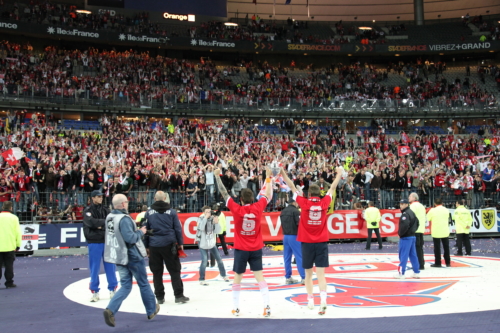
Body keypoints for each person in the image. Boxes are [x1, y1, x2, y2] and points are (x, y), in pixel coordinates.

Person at [280, 166, 343, 315]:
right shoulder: (324, 202)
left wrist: (282, 173)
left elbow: (291, 186)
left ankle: (310, 300)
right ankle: (323, 300)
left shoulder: (304, 203)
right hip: (321, 243)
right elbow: (333, 188)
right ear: (319, 193)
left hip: (307, 243)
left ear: (308, 194)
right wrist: (339, 174)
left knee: (308, 274)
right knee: (321, 274)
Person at [214, 167, 273, 317]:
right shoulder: (258, 207)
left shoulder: (236, 209)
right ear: (253, 198)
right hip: (255, 248)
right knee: (260, 277)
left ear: (241, 199)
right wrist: (268, 177)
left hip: (241, 248)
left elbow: (224, 192)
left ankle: (236, 308)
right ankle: (267, 306)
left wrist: (217, 176)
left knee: (237, 277)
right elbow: (268, 194)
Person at [102, 194, 159, 327]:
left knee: (126, 285)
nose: (128, 204)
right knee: (143, 283)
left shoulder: (110, 217)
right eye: (126, 202)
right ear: (122, 204)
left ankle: (110, 310)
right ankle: (151, 310)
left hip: (118, 255)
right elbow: (131, 239)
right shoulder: (124, 219)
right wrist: (141, 232)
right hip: (132, 256)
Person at [143, 191, 189, 305]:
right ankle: (178, 295)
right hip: (169, 244)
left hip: (154, 245)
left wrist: (146, 246)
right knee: (174, 270)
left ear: (154, 198)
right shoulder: (172, 212)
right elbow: (177, 228)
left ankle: (159, 297)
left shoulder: (148, 213)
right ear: (164, 198)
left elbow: (145, 230)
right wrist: (180, 243)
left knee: (157, 272)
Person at [83, 190, 117, 302]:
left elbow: (111, 223)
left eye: (101, 196)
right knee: (94, 268)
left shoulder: (106, 210)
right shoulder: (88, 210)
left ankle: (112, 289)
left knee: (110, 267)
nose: (101, 198)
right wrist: (103, 224)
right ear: (93, 198)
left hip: (106, 241)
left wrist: (98, 226)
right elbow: (91, 223)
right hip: (94, 242)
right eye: (98, 197)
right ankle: (95, 291)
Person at [195, 206, 229, 285]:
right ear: (204, 212)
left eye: (209, 211)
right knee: (204, 261)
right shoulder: (200, 218)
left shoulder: (212, 219)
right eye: (207, 212)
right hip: (203, 242)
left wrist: (216, 223)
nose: (209, 213)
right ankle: (201, 279)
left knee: (219, 259)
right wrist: (205, 218)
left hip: (211, 242)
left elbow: (218, 231)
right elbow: (201, 228)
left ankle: (223, 275)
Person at [280, 199, 305, 284]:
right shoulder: (296, 212)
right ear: (295, 202)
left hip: (285, 236)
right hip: (294, 236)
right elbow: (299, 224)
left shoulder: (283, 211)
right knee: (299, 256)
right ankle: (303, 277)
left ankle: (288, 277)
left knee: (287, 257)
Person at [395, 199, 420, 279]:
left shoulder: (405, 214)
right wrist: (413, 231)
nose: (400, 205)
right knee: (413, 255)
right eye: (400, 204)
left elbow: (404, 226)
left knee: (403, 255)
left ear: (406, 204)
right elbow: (417, 222)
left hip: (406, 237)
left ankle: (401, 273)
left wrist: (400, 234)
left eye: (402, 204)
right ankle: (416, 272)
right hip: (412, 236)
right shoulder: (411, 212)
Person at [0, 201, 21, 288]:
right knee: (9, 265)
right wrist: (18, 244)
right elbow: (18, 232)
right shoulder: (14, 218)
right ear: (11, 208)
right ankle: (9, 282)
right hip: (9, 245)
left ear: (2, 207)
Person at [426, 198, 451, 268]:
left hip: (436, 231)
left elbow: (428, 218)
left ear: (435, 204)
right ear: (442, 203)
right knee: (446, 247)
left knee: (437, 248)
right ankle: (448, 262)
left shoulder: (432, 210)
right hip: (445, 230)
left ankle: (438, 262)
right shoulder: (446, 210)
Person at [409, 192, 427, 270]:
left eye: (410, 196)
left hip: (415, 229)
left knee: (415, 248)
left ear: (414, 198)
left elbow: (411, 217)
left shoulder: (412, 206)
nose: (408, 198)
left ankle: (418, 264)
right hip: (421, 228)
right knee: (419, 247)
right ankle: (421, 263)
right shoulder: (421, 205)